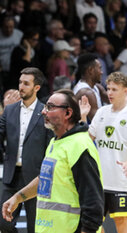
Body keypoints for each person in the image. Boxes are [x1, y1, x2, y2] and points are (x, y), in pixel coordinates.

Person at [2, 89, 104, 233]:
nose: (43, 111)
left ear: (68, 113)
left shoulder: (80, 146)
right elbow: (46, 178)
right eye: (45, 106)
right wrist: (18, 197)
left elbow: (93, 203)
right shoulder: (55, 142)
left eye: (50, 107)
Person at [87, 72, 127, 233]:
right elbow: (88, 139)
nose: (109, 93)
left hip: (120, 180)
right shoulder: (101, 112)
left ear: (126, 91)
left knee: (121, 222)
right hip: (98, 180)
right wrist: (84, 118)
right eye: (108, 88)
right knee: (93, 224)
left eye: (114, 89)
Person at [0, 67, 54, 233]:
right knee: (3, 223)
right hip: (11, 176)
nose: (21, 87)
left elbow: (50, 148)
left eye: (26, 83)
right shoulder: (10, 110)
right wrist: (3, 108)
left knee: (35, 228)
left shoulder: (46, 112)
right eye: (20, 82)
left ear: (36, 87)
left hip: (35, 179)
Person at [73, 53, 108, 121]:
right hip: (86, 130)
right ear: (91, 70)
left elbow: (113, 100)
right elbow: (98, 121)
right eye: (100, 68)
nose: (102, 72)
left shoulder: (96, 87)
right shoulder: (86, 92)